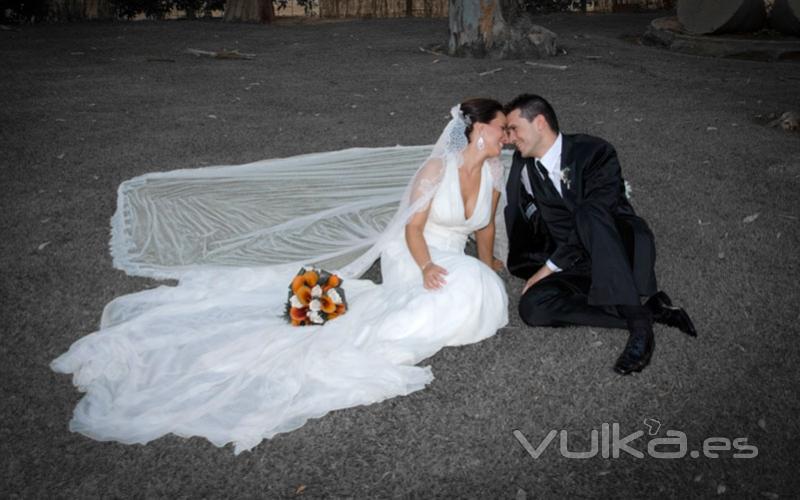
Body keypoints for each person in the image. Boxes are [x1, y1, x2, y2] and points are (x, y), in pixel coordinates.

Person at [51, 99, 510, 454]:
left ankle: (419, 302)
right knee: (449, 292)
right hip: (415, 255)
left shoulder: (492, 170)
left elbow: (486, 225)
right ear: (477, 128)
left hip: (452, 257)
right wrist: (427, 265)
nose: (507, 135)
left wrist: (488, 262)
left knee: (475, 286)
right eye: (501, 126)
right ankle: (369, 311)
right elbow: (412, 227)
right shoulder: (436, 169)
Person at [503, 94, 696, 375]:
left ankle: (640, 331)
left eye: (514, 129)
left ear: (540, 123)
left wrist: (549, 267)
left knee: (588, 213)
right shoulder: (527, 169)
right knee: (532, 308)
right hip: (578, 259)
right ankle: (647, 312)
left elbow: (598, 213)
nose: (510, 138)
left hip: (619, 245)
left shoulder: (594, 151)